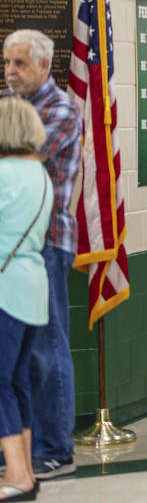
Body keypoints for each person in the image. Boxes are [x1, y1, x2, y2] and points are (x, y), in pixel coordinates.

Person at [1, 29, 81, 479]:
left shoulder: (61, 110)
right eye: (7, 62)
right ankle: (15, 450)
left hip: (43, 245)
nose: (10, 72)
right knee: (11, 359)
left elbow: (22, 155)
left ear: (44, 66)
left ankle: (56, 449)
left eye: (19, 64)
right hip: (8, 251)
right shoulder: (8, 105)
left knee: (46, 350)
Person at [0, 98, 53, 503]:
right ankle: (27, 471)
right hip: (32, 288)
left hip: (4, 291)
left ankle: (16, 475)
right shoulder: (40, 173)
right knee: (18, 382)